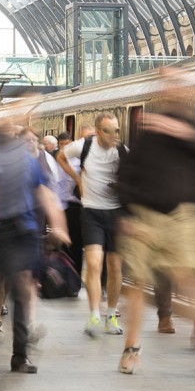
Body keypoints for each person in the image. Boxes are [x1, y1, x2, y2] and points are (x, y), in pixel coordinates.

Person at [115, 99, 195, 375]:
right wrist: (127, 214)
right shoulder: (147, 141)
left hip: (180, 220)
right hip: (143, 216)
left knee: (188, 278)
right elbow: (125, 174)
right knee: (138, 283)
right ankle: (132, 348)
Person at [0, 120, 69, 372]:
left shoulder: (28, 161)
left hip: (23, 232)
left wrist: (57, 224)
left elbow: (44, 193)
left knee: (20, 289)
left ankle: (19, 355)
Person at [57, 113, 127, 336]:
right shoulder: (83, 146)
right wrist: (78, 180)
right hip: (92, 212)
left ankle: (112, 315)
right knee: (95, 265)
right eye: (108, 131)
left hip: (116, 213)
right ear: (98, 131)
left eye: (116, 130)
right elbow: (61, 156)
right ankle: (95, 314)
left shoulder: (122, 151)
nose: (113, 135)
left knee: (115, 268)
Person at [54, 131, 84, 274]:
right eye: (61, 145)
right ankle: (66, 273)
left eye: (66, 144)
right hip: (63, 206)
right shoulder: (57, 161)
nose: (64, 147)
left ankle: (76, 274)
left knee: (76, 243)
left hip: (76, 205)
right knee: (66, 243)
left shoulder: (78, 161)